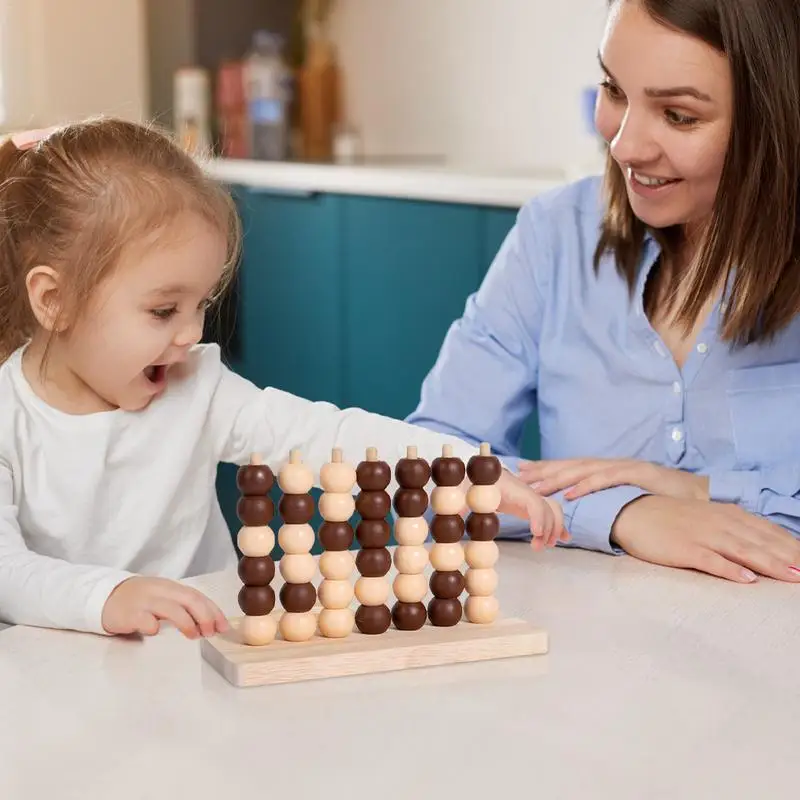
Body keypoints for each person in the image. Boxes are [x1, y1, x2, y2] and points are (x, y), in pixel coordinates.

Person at [0, 118, 566, 639]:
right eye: (163, 311)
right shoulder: (9, 420)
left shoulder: (197, 387)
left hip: (202, 662)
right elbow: (8, 571)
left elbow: (328, 437)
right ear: (55, 301)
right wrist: (110, 596)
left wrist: (463, 469)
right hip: (65, 681)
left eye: (202, 304)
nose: (190, 335)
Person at [407, 0, 800, 585]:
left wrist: (701, 490)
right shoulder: (554, 236)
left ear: (772, 119)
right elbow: (424, 472)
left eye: (679, 116)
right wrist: (623, 512)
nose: (625, 146)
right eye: (614, 90)